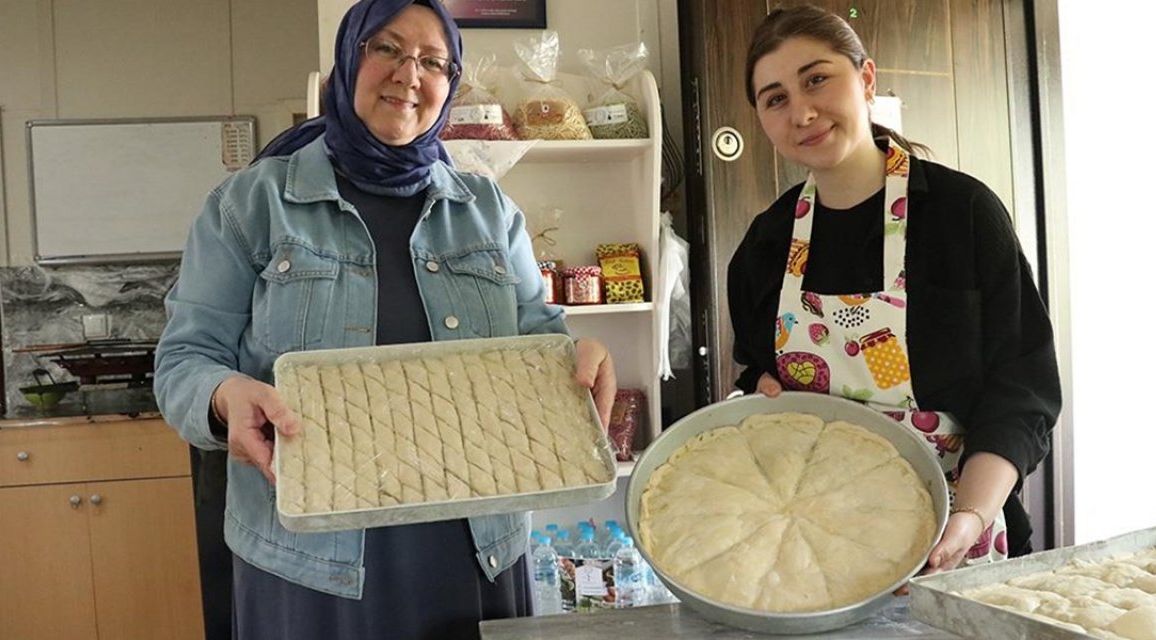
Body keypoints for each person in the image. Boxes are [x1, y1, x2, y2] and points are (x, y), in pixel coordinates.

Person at [154, 1, 616, 638]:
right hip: (313, 561)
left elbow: (537, 339)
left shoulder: (487, 209)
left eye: (434, 61)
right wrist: (224, 396)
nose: (410, 74)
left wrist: (574, 359)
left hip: (472, 547)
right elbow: (182, 362)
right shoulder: (252, 203)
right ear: (348, 61)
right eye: (387, 49)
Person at [728, 4, 1062, 580]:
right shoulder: (767, 241)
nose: (802, 111)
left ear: (865, 78)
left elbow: (1022, 390)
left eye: (817, 79)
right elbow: (759, 371)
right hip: (818, 543)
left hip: (958, 530)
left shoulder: (962, 215)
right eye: (775, 98)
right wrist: (761, 391)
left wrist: (971, 515)